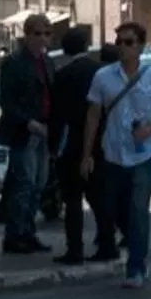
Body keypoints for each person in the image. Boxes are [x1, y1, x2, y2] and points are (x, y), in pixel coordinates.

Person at [85, 20, 151, 287]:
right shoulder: (103, 77)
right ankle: (135, 244)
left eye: (129, 42)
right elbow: (93, 115)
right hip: (113, 153)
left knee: (138, 208)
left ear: (140, 47)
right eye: (119, 42)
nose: (123, 47)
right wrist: (86, 154)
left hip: (145, 155)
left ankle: (136, 266)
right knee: (112, 207)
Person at [48, 23, 114, 266]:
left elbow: (57, 114)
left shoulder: (64, 75)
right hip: (100, 142)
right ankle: (108, 244)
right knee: (99, 197)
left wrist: (53, 146)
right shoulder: (101, 72)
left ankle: (74, 249)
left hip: (72, 143)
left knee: (73, 199)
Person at [0, 13, 56, 254]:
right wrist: (28, 122)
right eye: (37, 33)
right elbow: (6, 101)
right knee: (24, 183)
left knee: (38, 183)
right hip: (25, 131)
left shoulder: (48, 62)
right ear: (27, 35)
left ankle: (28, 232)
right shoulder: (14, 62)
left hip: (44, 130)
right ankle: (15, 235)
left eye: (46, 34)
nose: (42, 39)